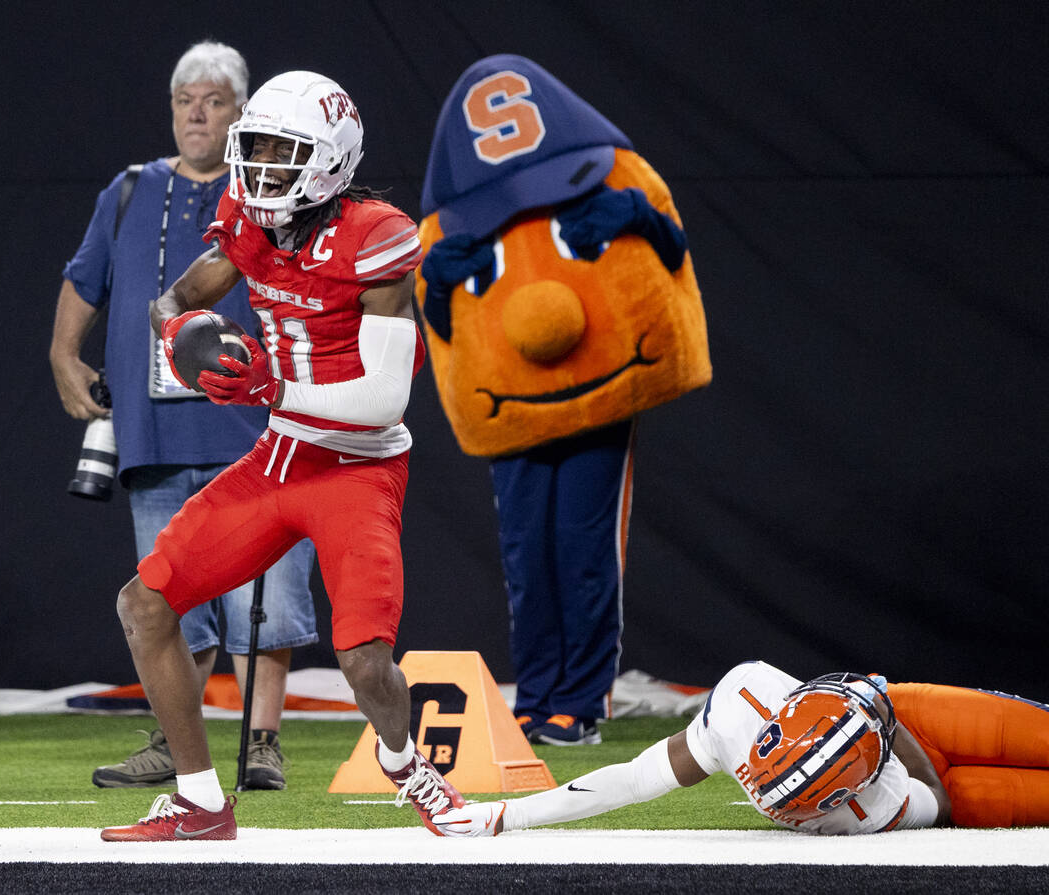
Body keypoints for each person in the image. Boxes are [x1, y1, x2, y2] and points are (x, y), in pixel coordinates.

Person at [99, 69, 465, 842]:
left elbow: (380, 402)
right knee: (145, 604)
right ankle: (201, 803)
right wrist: (173, 328)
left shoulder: (377, 233)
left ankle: (405, 763)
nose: (260, 169)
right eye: (254, 148)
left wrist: (271, 385)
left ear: (332, 159)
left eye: (281, 151)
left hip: (359, 467)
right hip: (284, 456)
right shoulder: (250, 216)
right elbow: (178, 297)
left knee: (366, 662)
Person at [415, 55, 711, 747]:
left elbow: (672, 246)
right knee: (526, 555)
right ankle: (540, 690)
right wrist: (435, 286)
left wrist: (637, 214)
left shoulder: (609, 182)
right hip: (516, 405)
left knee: (583, 546)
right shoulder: (466, 217)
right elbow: (442, 315)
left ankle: (581, 699)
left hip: (592, 398)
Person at [49, 41, 317, 791]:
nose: (196, 113)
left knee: (268, 595)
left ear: (240, 115)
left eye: (214, 101)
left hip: (253, 431)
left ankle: (261, 743)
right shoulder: (130, 190)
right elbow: (84, 277)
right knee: (171, 594)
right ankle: (176, 742)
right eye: (184, 100)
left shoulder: (266, 194)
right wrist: (64, 354)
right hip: (155, 432)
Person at [431, 659, 1049, 836]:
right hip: (922, 781)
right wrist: (881, 731)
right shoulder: (855, 812)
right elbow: (936, 799)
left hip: (904, 713)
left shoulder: (742, 704)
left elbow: (637, 777)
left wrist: (507, 813)